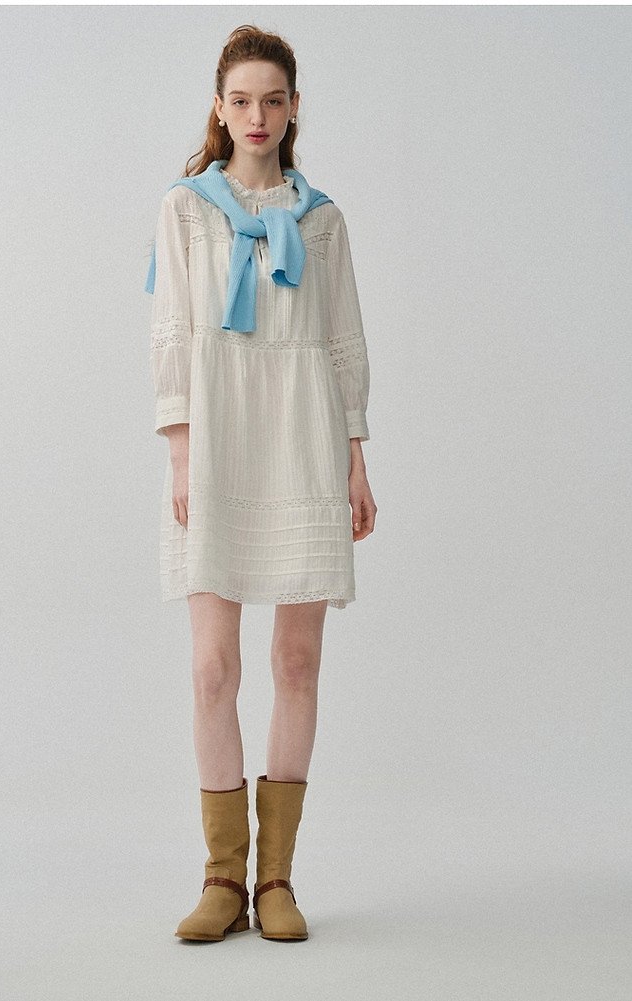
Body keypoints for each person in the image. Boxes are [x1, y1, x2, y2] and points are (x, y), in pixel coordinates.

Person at [146, 25, 376, 942]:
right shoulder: (186, 209)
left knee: (296, 661)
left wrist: (357, 456)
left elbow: (344, 339)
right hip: (218, 440)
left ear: (292, 109)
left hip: (305, 439)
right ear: (219, 106)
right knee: (212, 665)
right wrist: (180, 450)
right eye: (240, 100)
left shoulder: (322, 219)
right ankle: (220, 877)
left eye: (272, 100)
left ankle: (275, 879)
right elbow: (171, 332)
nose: (256, 116)